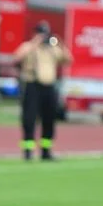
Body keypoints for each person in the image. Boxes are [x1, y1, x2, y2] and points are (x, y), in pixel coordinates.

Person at [13, 21, 72, 161]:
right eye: (41, 34)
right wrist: (35, 43)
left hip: (48, 87)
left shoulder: (52, 49)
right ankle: (28, 150)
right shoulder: (28, 46)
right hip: (32, 85)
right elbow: (17, 57)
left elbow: (69, 60)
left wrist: (60, 44)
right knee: (29, 118)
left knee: (49, 119)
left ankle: (46, 150)